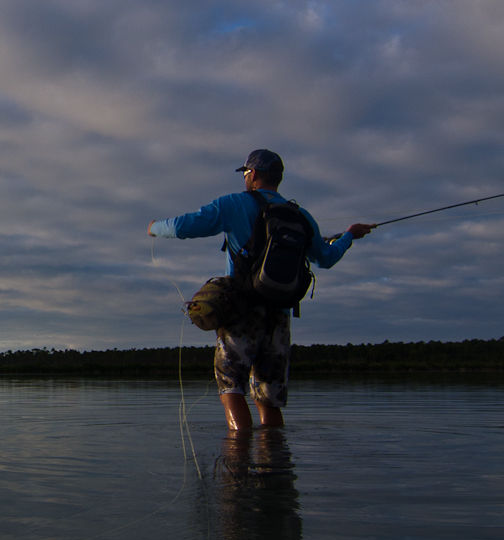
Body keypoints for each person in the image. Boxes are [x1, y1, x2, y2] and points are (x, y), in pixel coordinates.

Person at [147, 149, 374, 431]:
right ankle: (274, 465)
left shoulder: (233, 204)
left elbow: (184, 226)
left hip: (241, 311)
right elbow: (326, 259)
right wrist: (350, 235)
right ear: (278, 178)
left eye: (245, 173)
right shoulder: (301, 216)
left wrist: (155, 228)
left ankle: (238, 466)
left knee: (231, 388)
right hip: (279, 314)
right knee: (268, 399)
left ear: (252, 174)